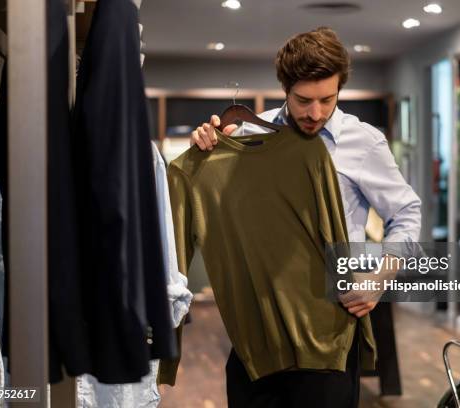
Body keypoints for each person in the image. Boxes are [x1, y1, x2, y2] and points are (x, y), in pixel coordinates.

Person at [161, 27, 421, 407]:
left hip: (328, 334)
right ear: (285, 89)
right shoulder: (249, 133)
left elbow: (407, 213)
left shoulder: (364, 142)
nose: (315, 113)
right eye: (303, 100)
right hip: (256, 331)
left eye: (327, 100)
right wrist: (205, 150)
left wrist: (381, 277)